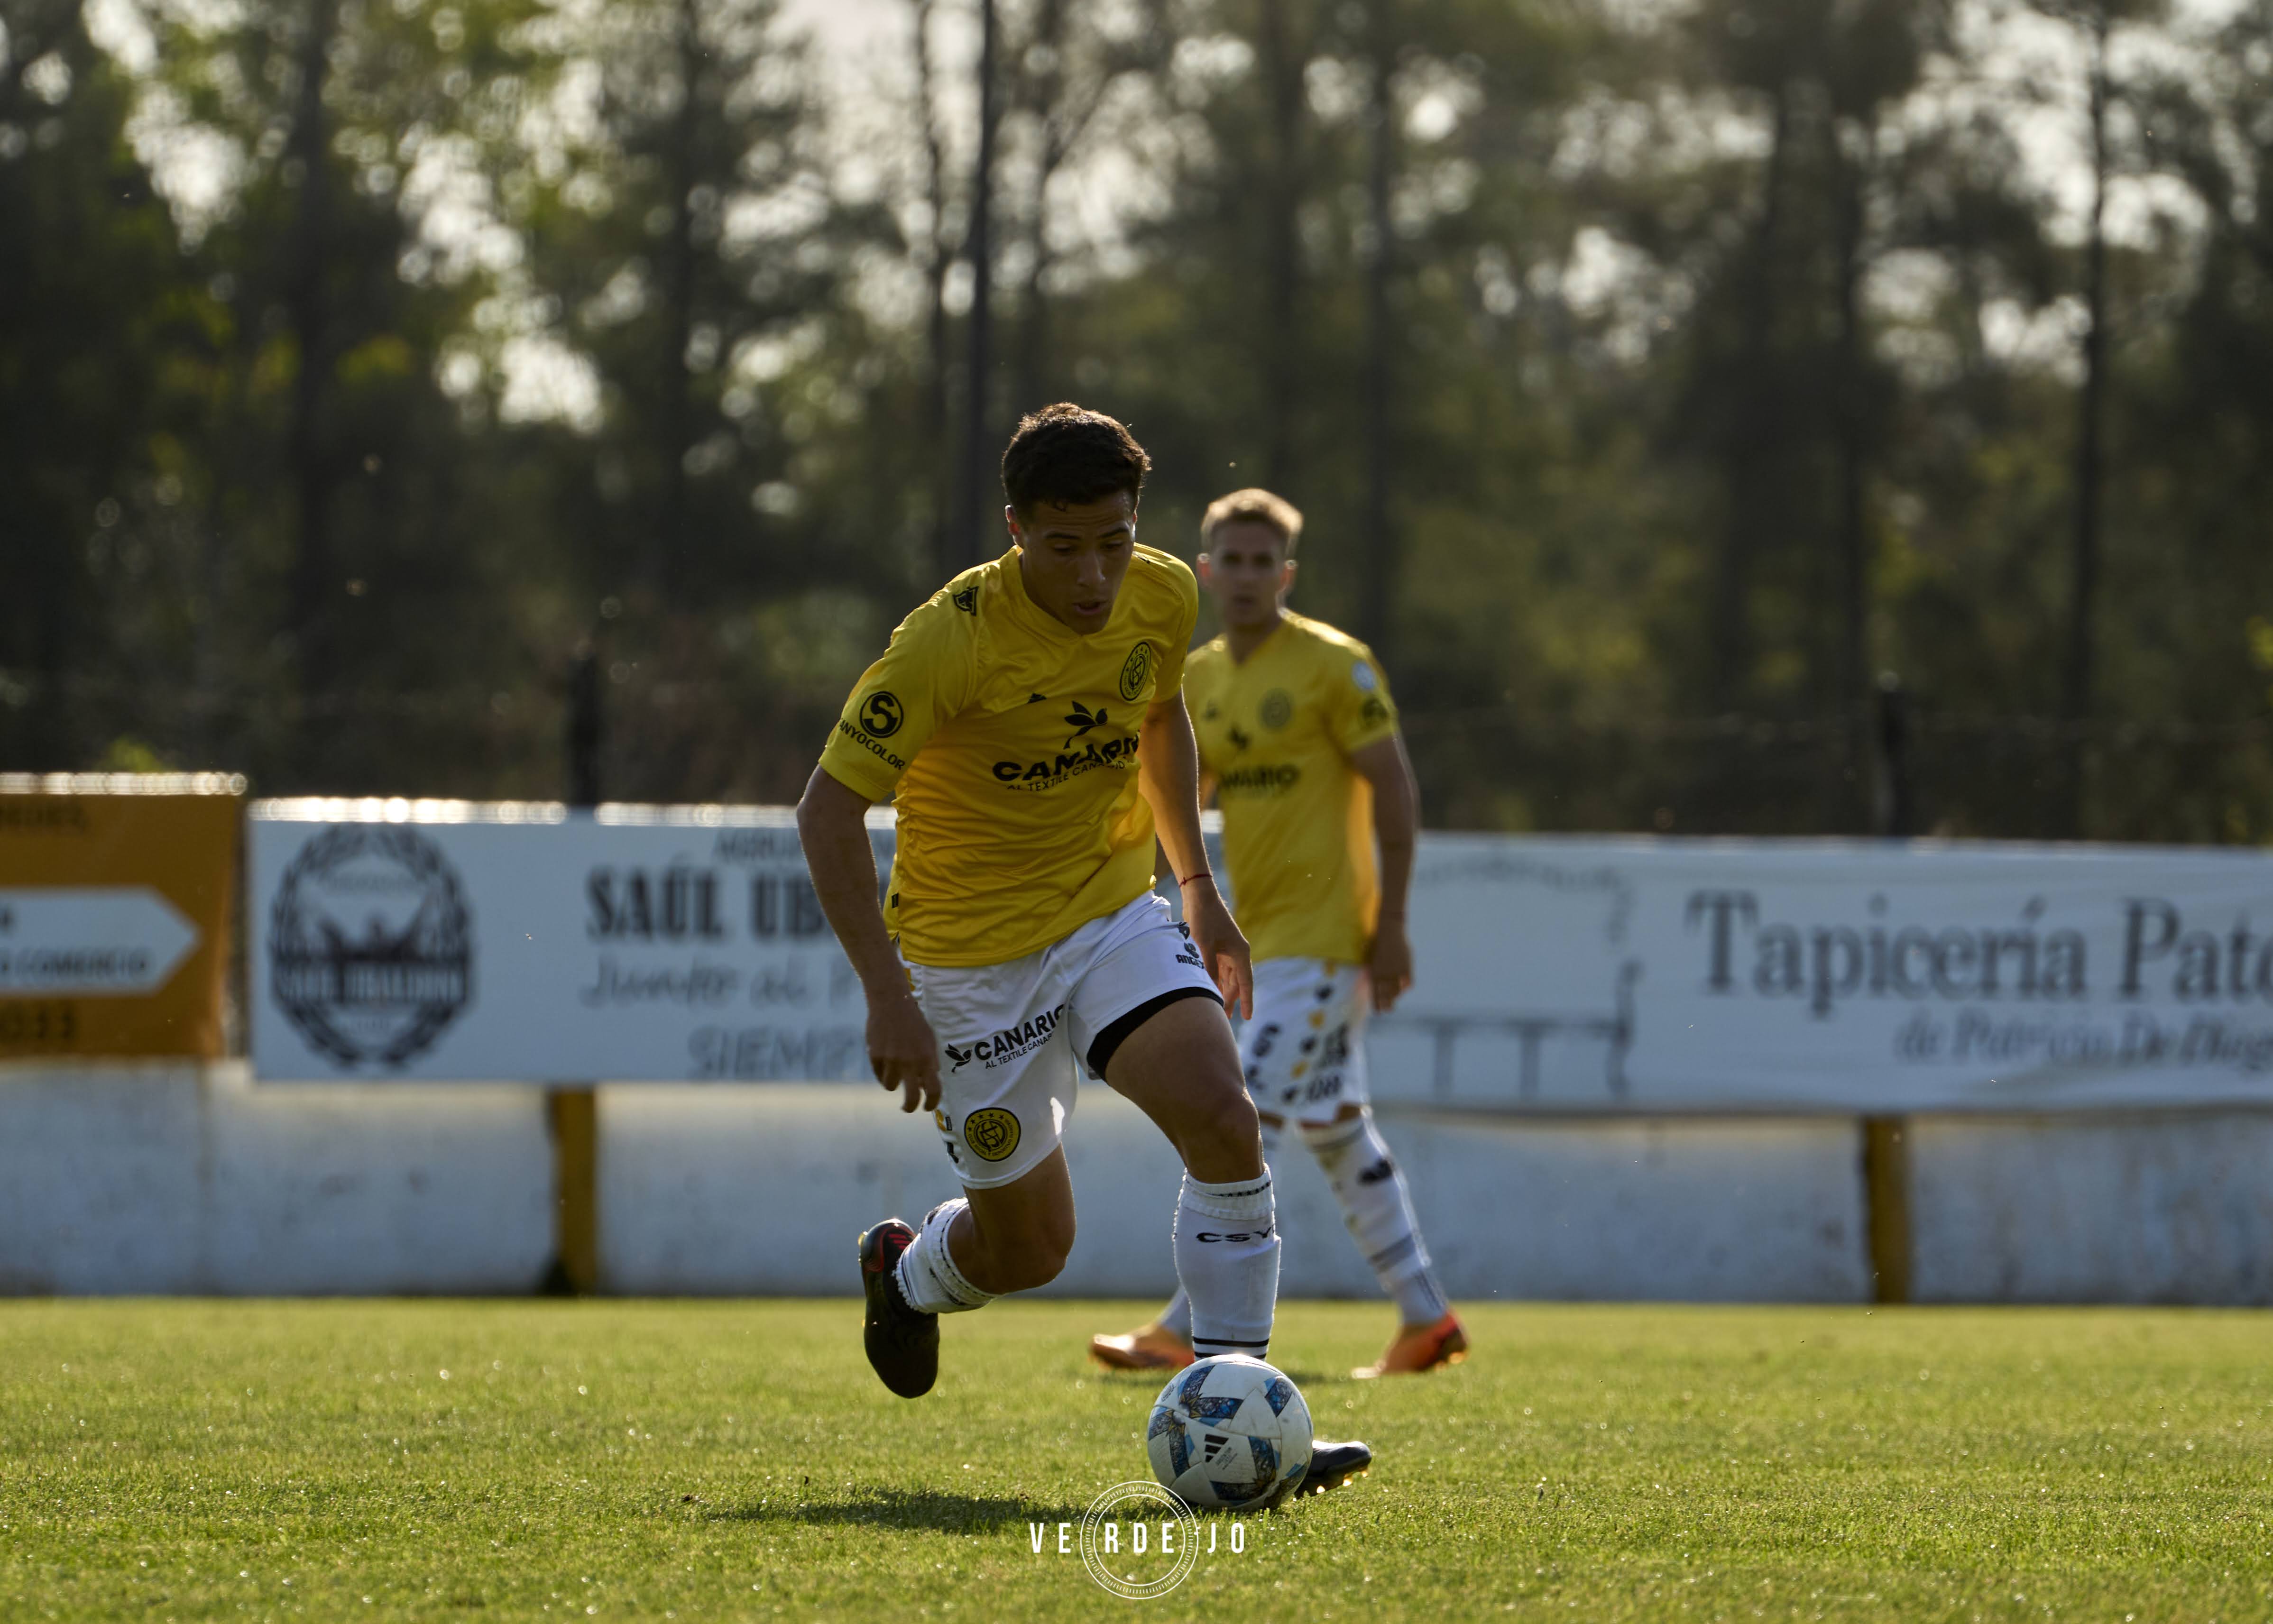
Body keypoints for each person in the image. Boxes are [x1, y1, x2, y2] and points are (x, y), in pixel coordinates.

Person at [796, 407, 1372, 1499]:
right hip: (970, 964)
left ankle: (1238, 1412)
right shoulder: (946, 642)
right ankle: (910, 1274)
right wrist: (889, 998)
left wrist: (1196, 886)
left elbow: (1159, 721)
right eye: (1064, 546)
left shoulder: (1163, 593)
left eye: (1114, 540)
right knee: (1032, 1251)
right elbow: (826, 815)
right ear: (1017, 530)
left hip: (1110, 912)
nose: (1097, 574)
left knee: (1222, 1112)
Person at [1088, 489, 1467, 1381]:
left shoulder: (1336, 666)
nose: (1249, 577)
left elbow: (1396, 794)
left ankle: (1186, 1323)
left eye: (1267, 562)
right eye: (1234, 560)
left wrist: (1394, 925)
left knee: (1238, 1111)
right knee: (1336, 1130)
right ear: (1208, 570)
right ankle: (1426, 1318)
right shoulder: (1204, 677)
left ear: (1285, 574)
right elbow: (1182, 800)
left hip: (1329, 941)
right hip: (1260, 942)